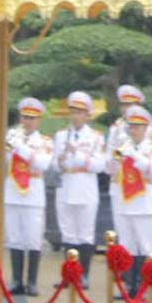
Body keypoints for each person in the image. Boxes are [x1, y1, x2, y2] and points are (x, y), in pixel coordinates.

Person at [53, 92, 108, 277]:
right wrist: (60, 160)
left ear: (87, 115)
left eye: (80, 112)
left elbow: (100, 165)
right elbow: (54, 164)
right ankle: (70, 274)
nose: (75, 116)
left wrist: (76, 156)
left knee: (85, 233)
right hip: (66, 186)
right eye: (73, 111)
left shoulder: (95, 137)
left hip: (85, 187)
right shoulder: (61, 136)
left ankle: (84, 275)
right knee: (68, 233)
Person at [5, 97, 56, 296]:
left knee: (33, 238)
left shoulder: (44, 141)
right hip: (12, 192)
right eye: (25, 117)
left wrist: (21, 147)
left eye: (32, 118)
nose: (28, 122)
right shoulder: (12, 136)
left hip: (33, 193)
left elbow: (42, 164)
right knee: (14, 238)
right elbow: (3, 160)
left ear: (39, 120)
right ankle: (17, 280)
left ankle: (32, 282)